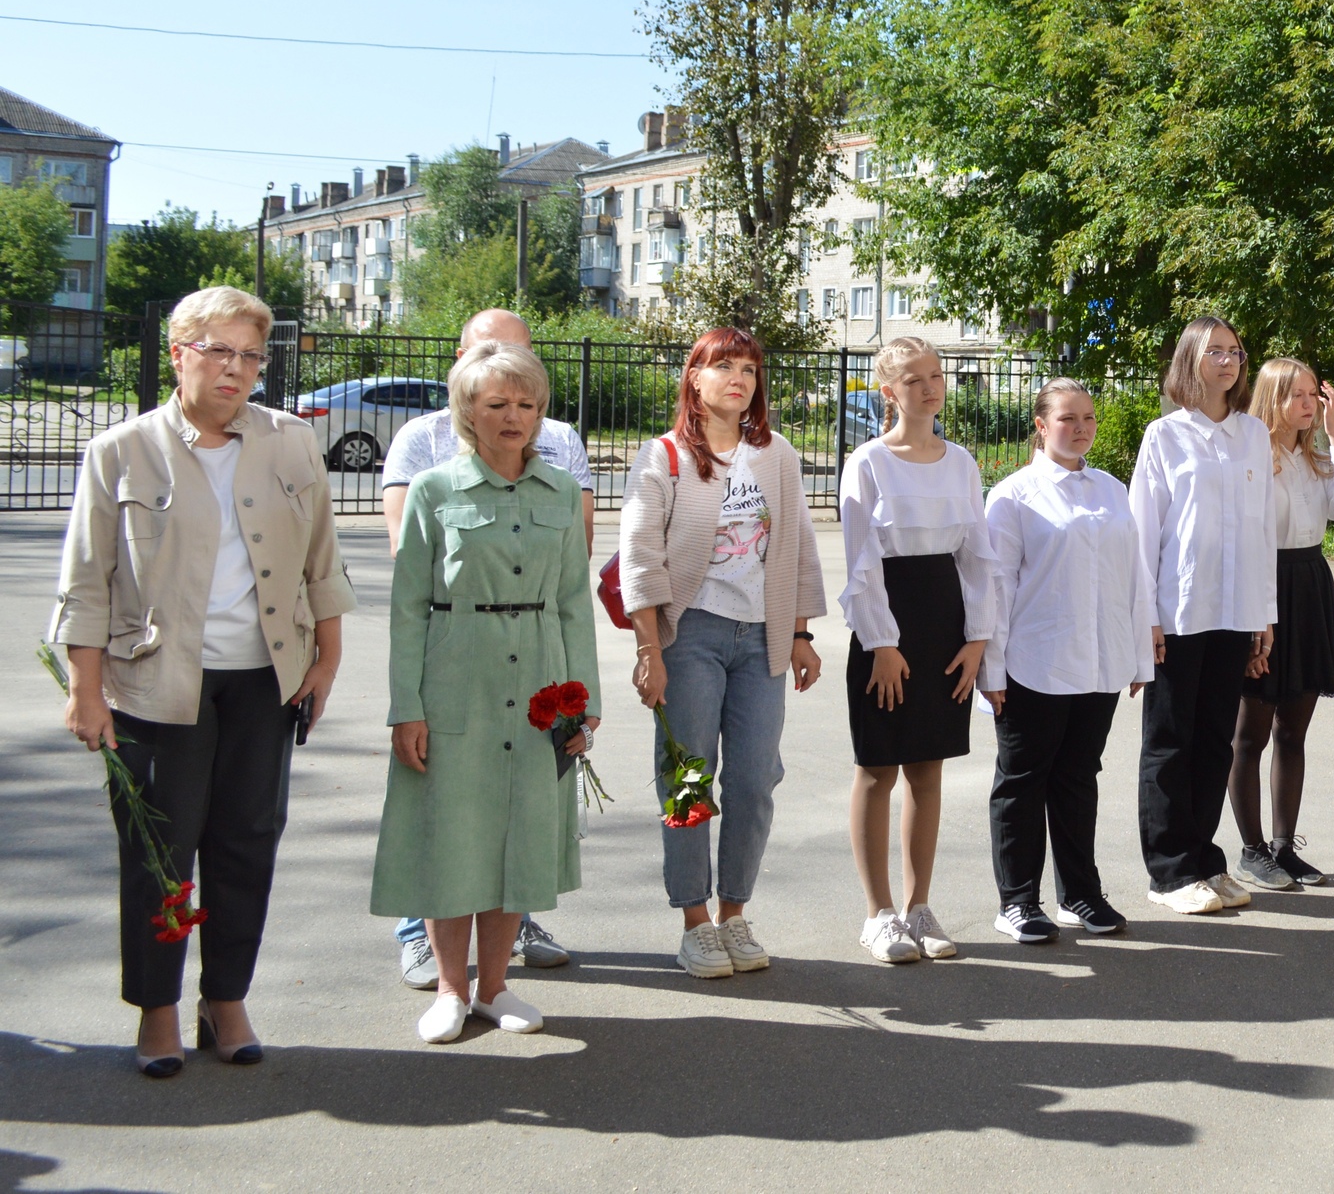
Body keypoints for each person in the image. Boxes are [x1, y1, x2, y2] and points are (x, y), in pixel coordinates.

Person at [50, 285, 352, 1076]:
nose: (237, 368)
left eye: (251, 355)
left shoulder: (290, 442)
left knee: (247, 844)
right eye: (219, 350)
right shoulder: (123, 450)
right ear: (179, 352)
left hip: (265, 680)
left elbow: (323, 562)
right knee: (160, 850)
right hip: (157, 684)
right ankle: (157, 1010)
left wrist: (327, 659)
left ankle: (226, 999)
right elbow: (86, 579)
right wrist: (85, 690)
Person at [371, 342, 598, 1044]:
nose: (514, 417)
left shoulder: (561, 492)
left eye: (526, 404)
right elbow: (408, 605)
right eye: (497, 404)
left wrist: (583, 704)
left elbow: (572, 604)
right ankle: (449, 987)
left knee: (517, 835)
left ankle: (496, 987)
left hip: (540, 676)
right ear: (467, 411)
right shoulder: (435, 490)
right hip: (456, 678)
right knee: (454, 836)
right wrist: (406, 706)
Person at [618, 328, 829, 980]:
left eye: (748, 368)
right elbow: (641, 561)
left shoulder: (777, 455)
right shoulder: (665, 457)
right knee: (687, 779)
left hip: (760, 639)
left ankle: (734, 912)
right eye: (723, 366)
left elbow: (796, 548)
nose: (738, 378)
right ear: (695, 379)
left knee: (753, 780)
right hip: (692, 639)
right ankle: (695, 921)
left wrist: (799, 634)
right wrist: (649, 651)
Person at [840, 335, 998, 961]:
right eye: (913, 379)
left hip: (944, 623)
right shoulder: (869, 462)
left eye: (936, 375)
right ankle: (877, 913)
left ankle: (919, 906)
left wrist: (978, 637)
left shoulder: (961, 462)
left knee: (926, 770)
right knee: (878, 769)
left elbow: (979, 557)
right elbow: (860, 564)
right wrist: (881, 641)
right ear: (889, 392)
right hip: (889, 625)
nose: (930, 387)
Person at [980, 380, 1154, 943]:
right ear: (1040, 424)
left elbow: (1133, 575)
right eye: (1067, 418)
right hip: (1034, 663)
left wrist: (1135, 656)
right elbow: (995, 588)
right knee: (1023, 782)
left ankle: (1080, 893)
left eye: (1088, 418)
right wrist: (993, 668)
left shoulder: (1110, 489)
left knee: (1079, 780)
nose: (1080, 428)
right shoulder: (1014, 495)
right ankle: (1018, 901)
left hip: (1098, 662)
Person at [1131, 317, 1277, 915]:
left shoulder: (1253, 436)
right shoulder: (1165, 437)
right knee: (1170, 742)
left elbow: (1264, 528)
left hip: (1235, 610)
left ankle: (1202, 859)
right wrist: (1147, 616)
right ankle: (1168, 872)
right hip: (1179, 611)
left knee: (1216, 738)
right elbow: (1143, 533)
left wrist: (1264, 616)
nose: (1227, 361)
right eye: (1214, 351)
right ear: (1190, 360)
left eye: (1235, 352)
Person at [1229, 358, 1334, 890]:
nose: (1310, 403)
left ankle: (1284, 846)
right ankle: (1251, 849)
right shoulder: (1254, 454)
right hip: (1267, 586)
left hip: (1310, 586)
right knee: (1250, 733)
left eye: (1315, 395)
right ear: (1274, 397)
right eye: (1299, 395)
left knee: (1293, 730)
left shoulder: (1315, 459)